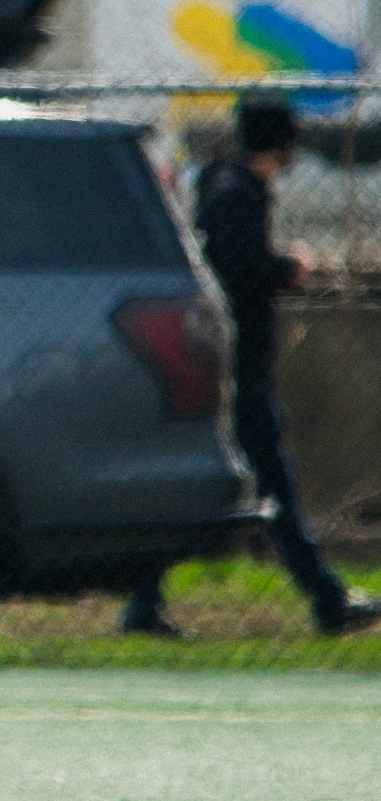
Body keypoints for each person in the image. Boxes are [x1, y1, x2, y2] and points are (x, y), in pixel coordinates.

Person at [122, 96, 377, 641]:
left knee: (212, 491)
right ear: (282, 143)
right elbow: (235, 269)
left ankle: (144, 604)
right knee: (270, 483)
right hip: (233, 368)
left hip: (226, 364)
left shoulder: (225, 183)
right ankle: (327, 600)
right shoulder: (236, 191)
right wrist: (287, 267)